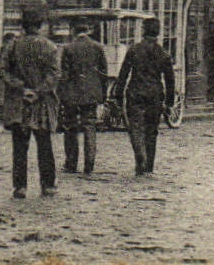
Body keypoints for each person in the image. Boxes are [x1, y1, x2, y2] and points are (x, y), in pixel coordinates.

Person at [0, 10, 59, 198]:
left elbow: (2, 70)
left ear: (22, 26)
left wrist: (20, 88)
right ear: (41, 26)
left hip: (19, 102)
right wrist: (38, 91)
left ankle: (20, 187)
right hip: (41, 103)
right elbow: (54, 74)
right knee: (44, 145)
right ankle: (48, 185)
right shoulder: (50, 47)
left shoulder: (12, 45)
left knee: (19, 146)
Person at [113, 18, 177, 176]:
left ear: (143, 31)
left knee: (136, 128)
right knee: (151, 130)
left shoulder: (134, 50)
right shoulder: (163, 54)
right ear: (158, 32)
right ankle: (149, 165)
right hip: (155, 95)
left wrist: (118, 95)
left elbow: (123, 75)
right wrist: (169, 102)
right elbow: (170, 81)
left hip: (135, 93)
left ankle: (139, 156)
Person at [59, 21, 107, 176]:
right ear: (88, 30)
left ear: (73, 30)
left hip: (72, 93)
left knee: (71, 127)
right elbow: (103, 73)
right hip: (91, 93)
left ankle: (71, 163)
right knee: (89, 126)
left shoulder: (68, 48)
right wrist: (102, 94)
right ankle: (89, 164)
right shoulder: (98, 47)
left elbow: (64, 75)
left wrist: (62, 94)